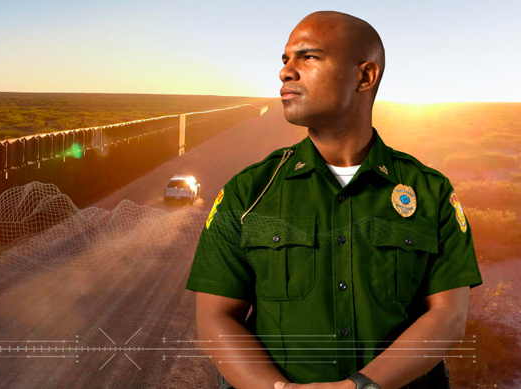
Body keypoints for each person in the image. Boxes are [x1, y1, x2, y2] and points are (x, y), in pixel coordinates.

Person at [185, 10, 483, 389]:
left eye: (308, 57)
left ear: (364, 76)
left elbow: (449, 318)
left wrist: (360, 387)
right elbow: (215, 320)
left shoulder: (430, 191)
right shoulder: (248, 191)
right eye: (284, 59)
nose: (285, 72)